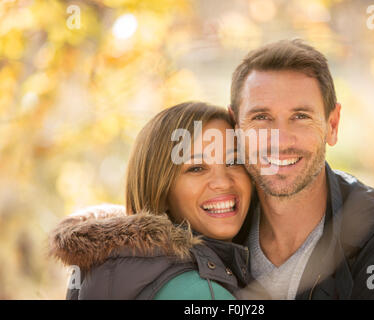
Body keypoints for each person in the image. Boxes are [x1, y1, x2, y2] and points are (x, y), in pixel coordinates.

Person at [228, 39, 374, 299]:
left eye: (301, 117)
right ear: (236, 128)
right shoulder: (211, 234)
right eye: (261, 117)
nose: (280, 140)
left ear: (333, 124)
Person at [49, 101, 265, 300]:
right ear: (160, 191)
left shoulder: (114, 267)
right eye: (196, 168)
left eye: (234, 161)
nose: (223, 182)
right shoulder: (200, 294)